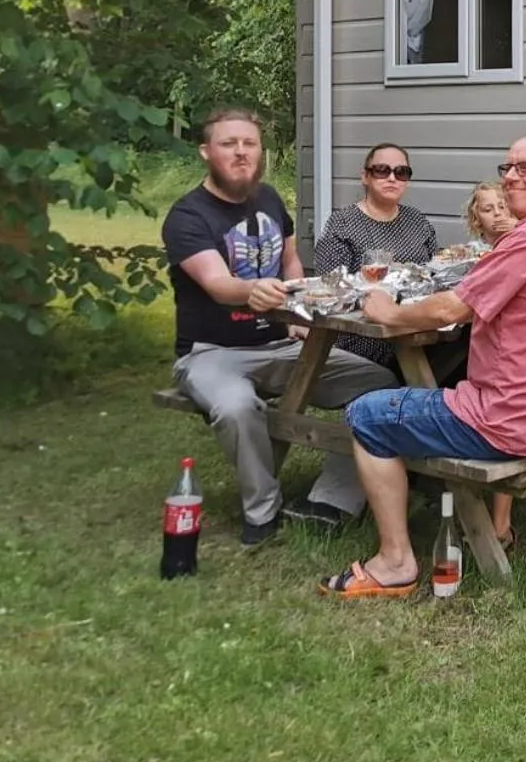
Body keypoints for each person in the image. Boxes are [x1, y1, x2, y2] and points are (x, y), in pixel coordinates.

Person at [318, 134, 526, 598]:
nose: (512, 175)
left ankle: (394, 563)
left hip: (513, 422)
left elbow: (448, 310)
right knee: (437, 384)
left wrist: (389, 313)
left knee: (367, 414)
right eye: (508, 166)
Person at [165, 107, 396, 544]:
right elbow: (217, 284)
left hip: (281, 344)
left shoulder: (269, 198)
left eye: (249, 143)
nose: (241, 153)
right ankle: (262, 512)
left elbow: (290, 259)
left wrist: (298, 314)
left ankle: (334, 498)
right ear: (205, 152)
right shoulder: (188, 217)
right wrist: (250, 291)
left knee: (381, 383)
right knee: (237, 408)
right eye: (228, 144)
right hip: (212, 352)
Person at [312, 143, 438, 375]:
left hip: (418, 324)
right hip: (365, 332)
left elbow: (434, 273)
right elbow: (329, 286)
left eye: (401, 172)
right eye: (382, 170)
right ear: (365, 177)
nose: (392, 178)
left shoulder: (418, 221)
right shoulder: (343, 223)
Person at [463, 179, 515, 247]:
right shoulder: (472, 250)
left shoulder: (522, 242)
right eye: (488, 210)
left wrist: (519, 227)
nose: (497, 213)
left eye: (502, 207)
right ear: (477, 218)